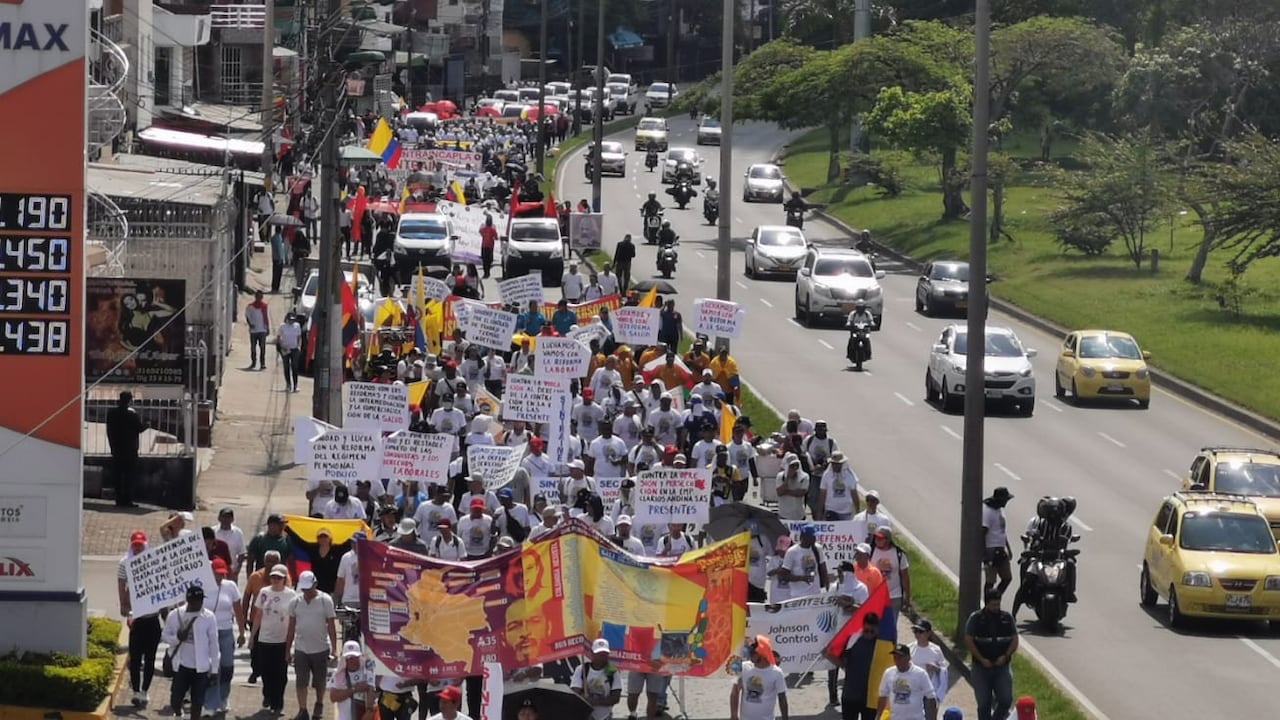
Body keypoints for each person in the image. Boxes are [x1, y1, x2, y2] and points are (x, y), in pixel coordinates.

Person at [162, 585, 221, 720]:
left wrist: (215, 669)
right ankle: (178, 713)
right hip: (181, 665)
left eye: (201, 600)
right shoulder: (175, 615)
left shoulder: (208, 616)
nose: (199, 604)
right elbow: (165, 635)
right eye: (196, 601)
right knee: (176, 699)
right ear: (189, 601)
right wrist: (177, 638)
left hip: (201, 667)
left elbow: (214, 644)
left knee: (197, 701)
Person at [288, 570, 338, 720]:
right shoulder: (295, 602)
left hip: (320, 648)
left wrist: (335, 648)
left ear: (315, 584)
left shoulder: (325, 600)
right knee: (301, 681)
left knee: (319, 681)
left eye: (308, 589)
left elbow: (331, 625)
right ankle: (302, 709)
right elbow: (291, 627)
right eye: (304, 590)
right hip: (301, 648)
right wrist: (287, 650)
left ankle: (319, 702)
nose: (307, 592)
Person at [119, 531, 161, 708]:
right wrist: (127, 612)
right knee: (135, 659)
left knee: (150, 658)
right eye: (135, 545)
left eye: (140, 545)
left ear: (145, 545)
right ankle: (136, 691)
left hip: (153, 618)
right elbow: (122, 588)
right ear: (131, 545)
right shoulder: (124, 563)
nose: (137, 548)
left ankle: (145, 691)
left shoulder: (154, 562)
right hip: (137, 619)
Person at [964, 589, 1018, 720]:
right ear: (987, 603)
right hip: (981, 668)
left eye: (998, 604)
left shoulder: (1007, 618)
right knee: (984, 703)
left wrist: (1005, 656)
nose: (996, 607)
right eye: (993, 605)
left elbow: (1014, 640)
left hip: (1002, 667)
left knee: (1006, 699)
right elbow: (969, 640)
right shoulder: (976, 619)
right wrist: (982, 659)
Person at [251, 563, 298, 715]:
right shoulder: (264, 592)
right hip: (265, 639)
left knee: (280, 673)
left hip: (282, 640)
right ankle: (268, 694)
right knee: (266, 670)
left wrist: (293, 641)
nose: (275, 580)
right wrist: (252, 637)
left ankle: (278, 702)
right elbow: (258, 615)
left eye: (279, 577)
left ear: (284, 579)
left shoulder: (291, 595)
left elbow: (294, 618)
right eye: (273, 577)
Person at [204, 558, 246, 715]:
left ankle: (223, 697)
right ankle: (210, 703)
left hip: (226, 631)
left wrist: (242, 632)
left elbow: (238, 610)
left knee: (227, 667)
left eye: (222, 574)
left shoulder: (231, 586)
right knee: (211, 668)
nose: (220, 577)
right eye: (217, 574)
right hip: (208, 633)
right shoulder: (204, 586)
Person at [835, 613, 882, 720]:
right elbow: (842, 663)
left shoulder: (882, 645)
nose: (869, 634)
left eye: (872, 631)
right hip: (851, 695)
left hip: (871, 698)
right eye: (866, 630)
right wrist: (828, 656)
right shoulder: (852, 641)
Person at [106, 391, 149, 507]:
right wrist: (147, 424)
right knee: (129, 476)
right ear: (129, 400)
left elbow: (109, 431)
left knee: (118, 476)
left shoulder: (111, 413)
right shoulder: (131, 414)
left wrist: (112, 445)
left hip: (117, 449)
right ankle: (128, 500)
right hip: (130, 450)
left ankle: (119, 500)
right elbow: (139, 428)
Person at [730, 635, 788, 720]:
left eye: (753, 653)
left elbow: (782, 698)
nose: (750, 655)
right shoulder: (743, 668)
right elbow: (735, 692)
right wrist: (734, 716)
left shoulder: (776, 673)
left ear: (762, 654)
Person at [875, 644, 938, 720]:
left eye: (900, 658)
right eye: (895, 658)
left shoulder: (920, 674)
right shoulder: (889, 673)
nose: (897, 661)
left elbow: (931, 698)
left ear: (908, 658)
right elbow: (883, 696)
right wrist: (878, 717)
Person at [571, 638, 622, 720]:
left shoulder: (613, 672)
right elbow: (575, 694)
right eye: (599, 654)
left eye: (605, 654)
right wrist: (583, 697)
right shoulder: (582, 670)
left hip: (605, 716)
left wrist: (594, 702)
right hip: (585, 715)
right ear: (592, 653)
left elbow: (616, 698)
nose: (602, 657)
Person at [329, 641, 375, 720]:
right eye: (349, 658)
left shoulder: (366, 672)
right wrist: (354, 689)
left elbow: (372, 689)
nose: (352, 660)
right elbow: (333, 697)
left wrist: (369, 711)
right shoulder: (338, 675)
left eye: (354, 657)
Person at [982, 487, 1014, 596]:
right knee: (990, 581)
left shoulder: (1000, 510)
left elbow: (1001, 530)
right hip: (991, 548)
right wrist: (984, 554)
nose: (1006, 502)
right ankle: (988, 604)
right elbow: (983, 532)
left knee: (1007, 578)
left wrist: (1008, 548)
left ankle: (995, 598)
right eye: (1005, 499)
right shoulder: (987, 511)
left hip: (1000, 548)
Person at [909, 620, 948, 705]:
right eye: (915, 631)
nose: (917, 634)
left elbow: (944, 672)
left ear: (928, 633)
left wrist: (935, 668)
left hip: (929, 691)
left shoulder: (936, 650)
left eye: (920, 631)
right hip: (913, 691)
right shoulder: (909, 648)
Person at [277, 312, 303, 392]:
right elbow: (278, 337)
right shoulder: (282, 326)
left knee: (294, 367)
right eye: (290, 320)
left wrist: (299, 346)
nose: (291, 321)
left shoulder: (297, 326)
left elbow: (299, 337)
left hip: (294, 349)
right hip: (285, 349)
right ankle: (288, 384)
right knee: (286, 367)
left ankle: (295, 385)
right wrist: (281, 346)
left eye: (293, 320)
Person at [247, 290, 271, 370]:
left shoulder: (264, 306)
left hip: (262, 330)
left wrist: (267, 328)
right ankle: (253, 362)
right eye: (258, 297)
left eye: (260, 297)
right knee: (253, 347)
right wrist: (250, 324)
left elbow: (266, 317)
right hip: (253, 331)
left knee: (262, 347)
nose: (259, 298)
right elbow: (247, 317)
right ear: (255, 297)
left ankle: (262, 363)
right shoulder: (250, 306)